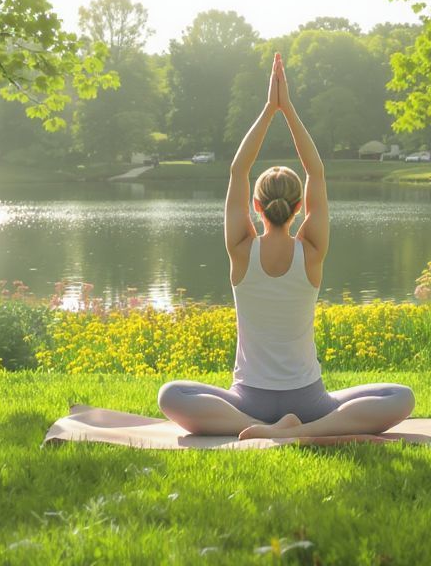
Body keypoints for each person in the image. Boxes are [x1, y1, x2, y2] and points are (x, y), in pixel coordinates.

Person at [158, 53, 414, 439]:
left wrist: (268, 109)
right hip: (309, 403)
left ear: (256, 207)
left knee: (171, 395)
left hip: (248, 401)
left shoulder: (241, 250)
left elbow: (238, 170)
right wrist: (289, 110)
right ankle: (306, 432)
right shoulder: (311, 250)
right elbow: (316, 171)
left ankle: (259, 429)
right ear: (299, 208)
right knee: (400, 396)